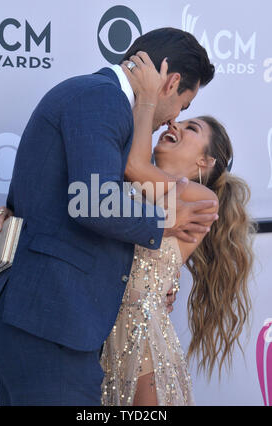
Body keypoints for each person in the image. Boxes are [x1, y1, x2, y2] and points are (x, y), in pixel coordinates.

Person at [0, 28, 217, 406]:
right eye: (182, 107)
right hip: (49, 323)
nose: (173, 121)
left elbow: (54, 195)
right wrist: (165, 223)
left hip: (53, 322)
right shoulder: (102, 99)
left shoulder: (96, 97)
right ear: (171, 83)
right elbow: (91, 202)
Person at [100, 54, 256, 406]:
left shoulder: (199, 198)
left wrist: (147, 99)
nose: (175, 125)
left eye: (191, 128)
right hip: (99, 336)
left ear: (206, 162)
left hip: (143, 343)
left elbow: (135, 166)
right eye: (180, 120)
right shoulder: (129, 180)